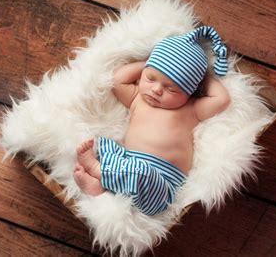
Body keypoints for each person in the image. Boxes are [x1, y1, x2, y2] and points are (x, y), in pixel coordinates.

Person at [73, 26, 231, 215]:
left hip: (161, 184)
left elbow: (222, 99)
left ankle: (97, 169)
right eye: (151, 78)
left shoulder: (191, 110)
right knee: (105, 146)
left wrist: (200, 76)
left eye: (171, 88)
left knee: (140, 173)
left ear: (189, 93)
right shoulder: (137, 99)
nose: (156, 89)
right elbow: (118, 79)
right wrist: (150, 62)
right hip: (128, 163)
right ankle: (100, 187)